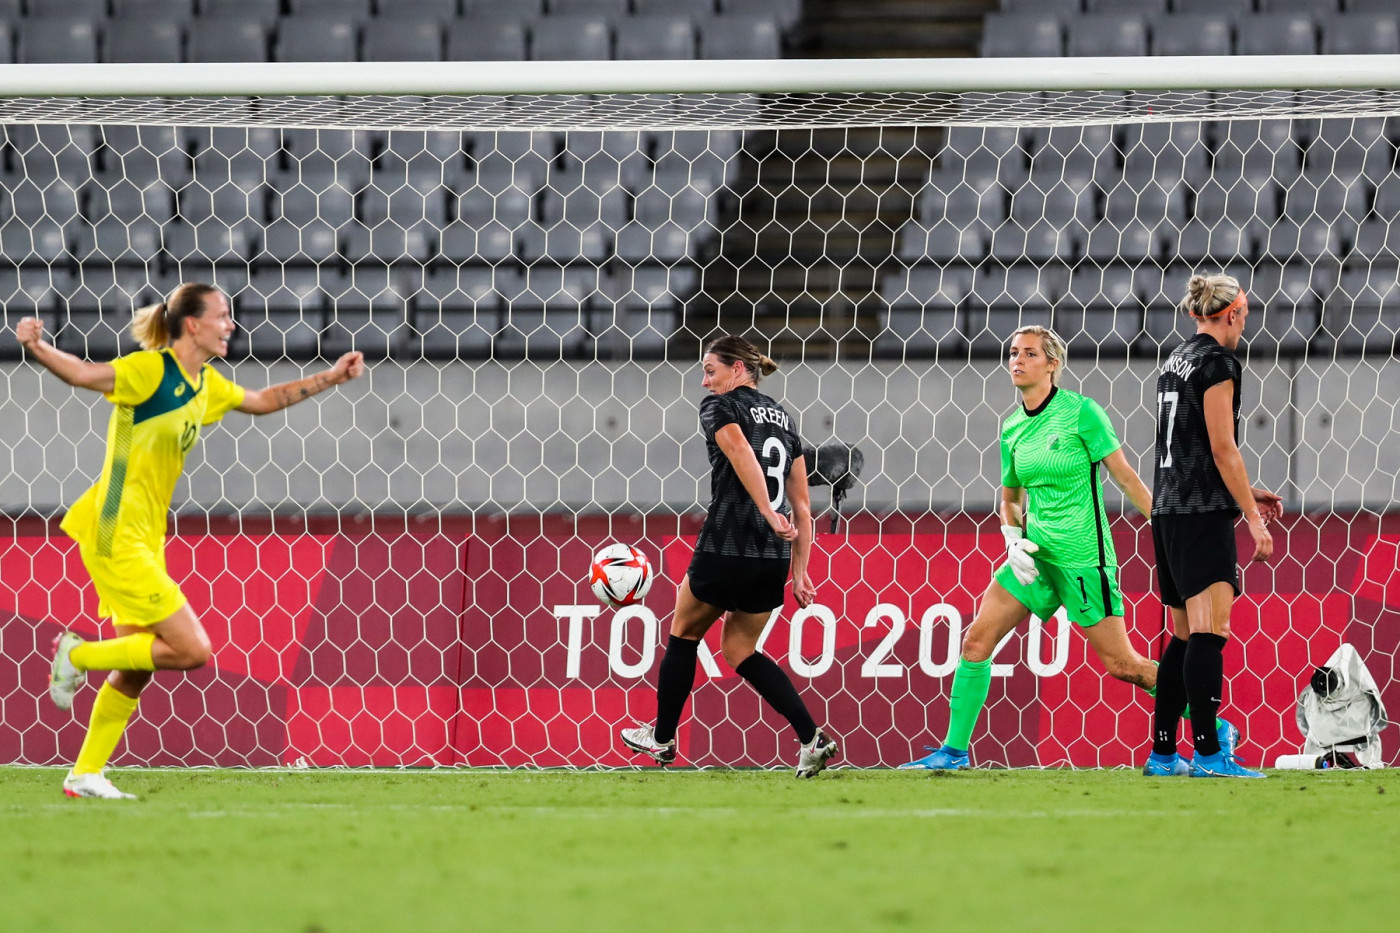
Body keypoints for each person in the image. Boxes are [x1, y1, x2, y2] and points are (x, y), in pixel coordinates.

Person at [17, 283, 366, 799]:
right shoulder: (147, 371)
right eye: (223, 316)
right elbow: (84, 374)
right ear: (193, 324)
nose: (231, 325)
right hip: (115, 530)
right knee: (191, 650)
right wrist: (37, 346)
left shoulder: (205, 383)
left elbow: (264, 400)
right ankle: (78, 657)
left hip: (145, 537)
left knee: (139, 666)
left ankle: (85, 774)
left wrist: (332, 377)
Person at [902, 324, 1172, 771]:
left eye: (1029, 353)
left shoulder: (1082, 413)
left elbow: (1125, 476)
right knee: (976, 640)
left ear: (1052, 363)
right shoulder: (1011, 429)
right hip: (1034, 557)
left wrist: (1163, 528)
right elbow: (1010, 497)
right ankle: (953, 753)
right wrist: (1012, 539)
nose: (1017, 360)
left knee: (1123, 665)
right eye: (1013, 353)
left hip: (1084, 557)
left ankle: (1210, 727)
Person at [619, 334, 838, 778]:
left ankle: (661, 740)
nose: (704, 382)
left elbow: (738, 449)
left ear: (738, 369)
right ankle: (812, 739)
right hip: (772, 557)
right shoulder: (785, 418)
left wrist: (761, 510)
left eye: (711, 371)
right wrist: (800, 573)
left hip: (726, 544)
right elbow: (802, 508)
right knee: (740, 650)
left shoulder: (722, 407)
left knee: (683, 633)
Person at [1142, 273, 1282, 779]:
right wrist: (1252, 519)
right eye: (1245, 312)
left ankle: (1163, 754)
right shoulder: (1220, 363)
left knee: (1182, 635)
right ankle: (1207, 754)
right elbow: (1223, 447)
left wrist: (1247, 490)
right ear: (1231, 314)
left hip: (1169, 510)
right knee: (1210, 631)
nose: (1246, 321)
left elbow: (1191, 447)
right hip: (1202, 515)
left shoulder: (1176, 358)